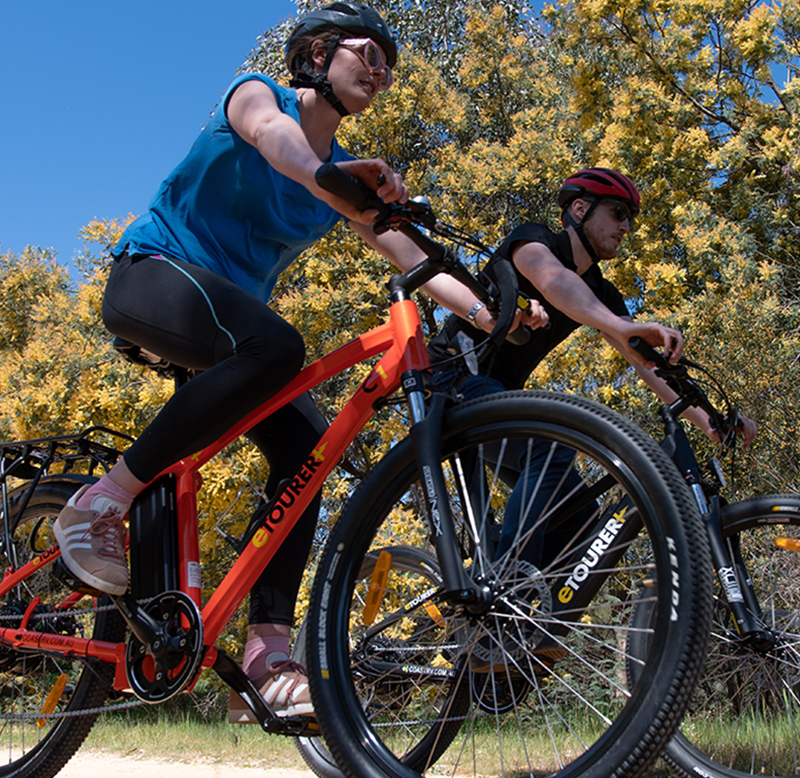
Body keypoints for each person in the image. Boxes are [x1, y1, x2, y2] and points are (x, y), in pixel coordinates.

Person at [52, 2, 536, 721]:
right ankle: (100, 503)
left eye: (388, 65)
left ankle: (267, 652)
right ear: (316, 53)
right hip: (153, 276)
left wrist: (487, 309)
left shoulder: (340, 173)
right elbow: (275, 140)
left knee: (307, 449)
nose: (381, 70)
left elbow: (411, 256)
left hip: (227, 331)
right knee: (277, 346)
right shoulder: (259, 95)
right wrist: (332, 179)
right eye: (368, 52)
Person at [429, 167, 758, 669]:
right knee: (551, 446)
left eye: (632, 219)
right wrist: (619, 324)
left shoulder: (602, 293)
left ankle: (521, 631)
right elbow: (555, 283)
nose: (626, 227)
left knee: (580, 516)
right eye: (618, 213)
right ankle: (501, 597)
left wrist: (710, 419)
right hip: (454, 379)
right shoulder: (533, 242)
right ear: (579, 210)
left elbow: (652, 369)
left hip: (497, 398)